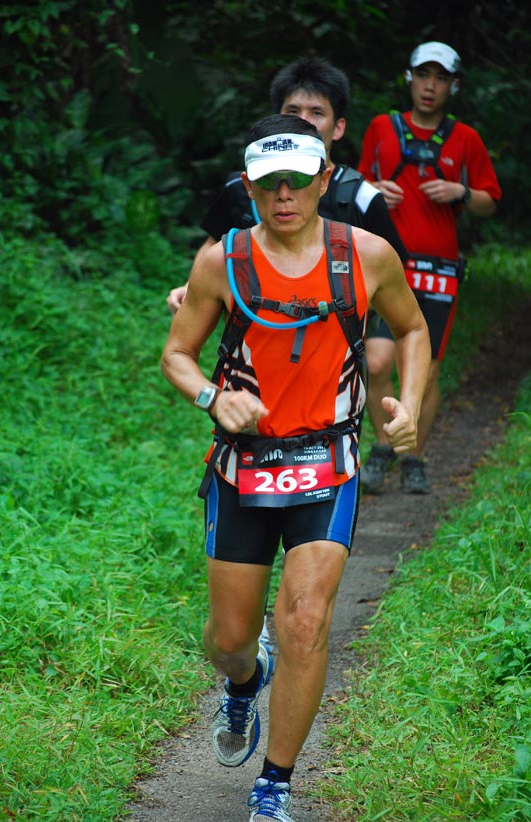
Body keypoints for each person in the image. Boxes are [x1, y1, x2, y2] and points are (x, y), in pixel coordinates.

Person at [161, 114, 430, 821]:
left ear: (323, 181)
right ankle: (246, 683)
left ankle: (274, 787)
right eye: (270, 182)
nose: (285, 194)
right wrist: (212, 397)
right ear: (248, 187)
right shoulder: (221, 261)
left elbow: (411, 327)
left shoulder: (366, 255)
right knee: (228, 640)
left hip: (328, 461)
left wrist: (408, 406)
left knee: (306, 620)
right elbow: (177, 355)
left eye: (299, 180)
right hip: (242, 469)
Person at [357, 41, 502, 494]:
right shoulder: (382, 128)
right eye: (423, 75)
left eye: (440, 78)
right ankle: (383, 446)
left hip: (437, 269)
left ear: (453, 85)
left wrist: (459, 192)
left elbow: (489, 203)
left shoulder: (467, 139)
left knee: (427, 368)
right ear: (410, 78)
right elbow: (351, 184)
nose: (430, 86)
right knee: (376, 359)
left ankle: (413, 456)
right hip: (385, 263)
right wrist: (374, 187)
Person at [166, 56, 406, 314]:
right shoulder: (242, 187)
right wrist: (192, 289)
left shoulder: (362, 198)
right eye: (292, 112)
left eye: (316, 112)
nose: (303, 122)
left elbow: (391, 277)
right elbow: (213, 244)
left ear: (338, 127)